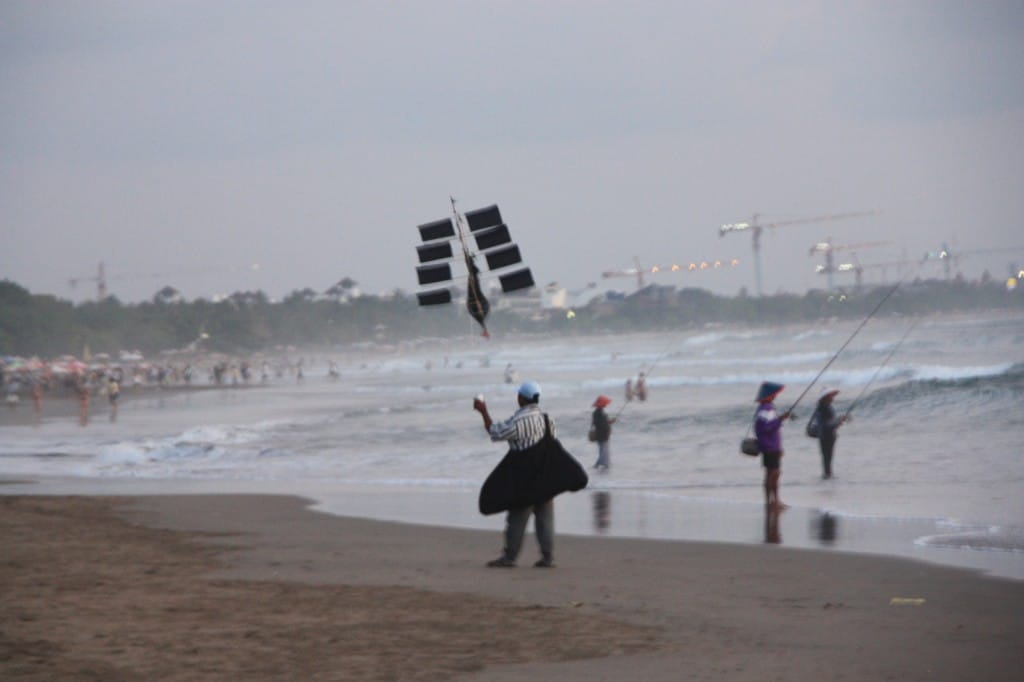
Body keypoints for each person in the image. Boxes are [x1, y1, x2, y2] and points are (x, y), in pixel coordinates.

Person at [473, 380, 556, 568]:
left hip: (525, 478)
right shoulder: (547, 419)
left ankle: (510, 557)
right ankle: (547, 557)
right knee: (545, 518)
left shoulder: (519, 421)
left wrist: (483, 411)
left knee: (517, 518)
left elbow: (495, 433)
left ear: (521, 398)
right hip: (546, 476)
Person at [754, 381, 792, 509]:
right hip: (771, 446)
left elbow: (765, 427)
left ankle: (770, 502)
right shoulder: (767, 409)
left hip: (767, 446)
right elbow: (769, 428)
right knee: (774, 474)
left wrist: (780, 419)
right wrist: (781, 419)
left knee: (770, 474)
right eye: (774, 394)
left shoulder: (762, 408)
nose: (775, 396)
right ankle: (774, 502)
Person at [813, 387, 847, 479]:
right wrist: (838, 421)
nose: (833, 397)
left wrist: (838, 421)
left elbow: (828, 422)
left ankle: (827, 476)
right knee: (827, 458)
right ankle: (827, 476)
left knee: (826, 458)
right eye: (831, 395)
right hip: (827, 436)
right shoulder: (825, 408)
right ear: (826, 396)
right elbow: (827, 424)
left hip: (824, 435)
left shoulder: (822, 406)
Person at [590, 395, 615, 470]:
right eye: (604, 403)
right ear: (601, 404)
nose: (606, 404)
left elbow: (600, 423)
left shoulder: (597, 412)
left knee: (602, 450)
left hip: (600, 434)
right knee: (604, 450)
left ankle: (600, 464)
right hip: (602, 434)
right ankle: (603, 464)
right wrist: (609, 423)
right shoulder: (599, 413)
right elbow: (602, 424)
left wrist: (609, 422)